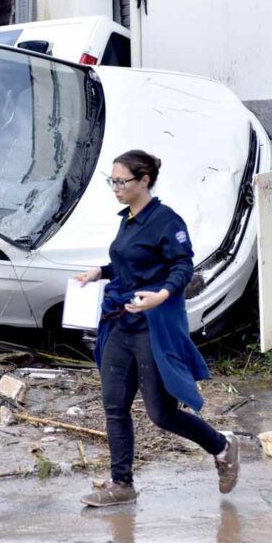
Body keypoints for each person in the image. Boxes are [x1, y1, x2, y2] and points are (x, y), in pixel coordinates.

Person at [76, 150, 239, 508]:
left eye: (122, 181)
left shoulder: (166, 221)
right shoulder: (129, 219)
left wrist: (161, 295)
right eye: (112, 181)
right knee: (114, 406)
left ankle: (222, 446)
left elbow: (182, 267)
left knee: (160, 413)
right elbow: (128, 262)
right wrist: (99, 273)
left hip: (152, 327)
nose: (115, 188)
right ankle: (122, 485)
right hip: (121, 323)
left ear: (144, 180)